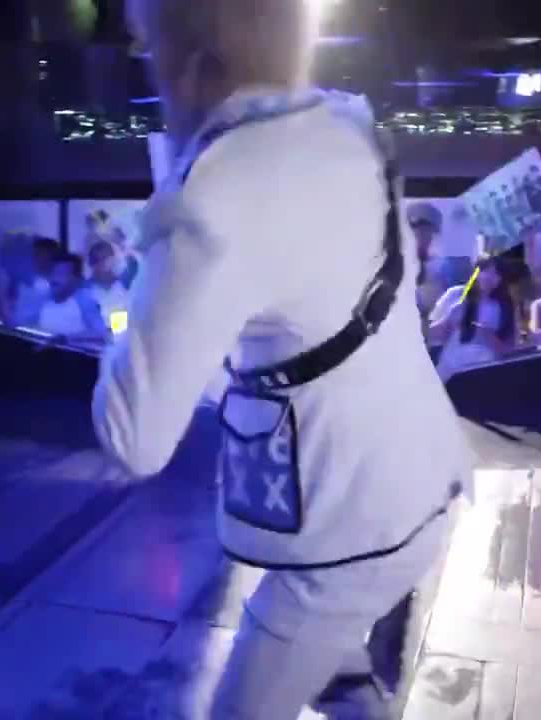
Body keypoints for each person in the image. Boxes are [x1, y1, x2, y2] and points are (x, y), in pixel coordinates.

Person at [93, 2, 471, 717]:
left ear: (191, 63)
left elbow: (132, 436)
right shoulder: (351, 124)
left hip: (347, 527)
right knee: (338, 676)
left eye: (147, 50)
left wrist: (150, 262)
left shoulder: (212, 193)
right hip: (423, 476)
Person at [429, 254, 518, 381]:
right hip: (451, 371)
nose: (488, 277)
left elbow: (509, 350)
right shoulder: (456, 295)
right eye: (485, 270)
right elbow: (433, 334)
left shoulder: (505, 307)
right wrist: (449, 318)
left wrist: (486, 334)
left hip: (485, 373)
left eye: (496, 273)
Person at [37, 253, 108, 343]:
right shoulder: (44, 298)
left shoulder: (84, 301)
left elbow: (101, 333)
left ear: (76, 279)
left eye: (61, 274)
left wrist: (66, 338)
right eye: (53, 273)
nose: (54, 278)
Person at [87, 240, 131, 328]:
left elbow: (120, 327)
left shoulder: (123, 287)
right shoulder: (85, 290)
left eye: (107, 258)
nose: (103, 262)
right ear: (91, 263)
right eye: (98, 259)